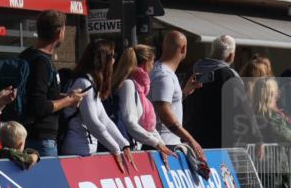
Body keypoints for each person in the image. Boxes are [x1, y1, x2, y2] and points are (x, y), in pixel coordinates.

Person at [59, 39, 134, 172]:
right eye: (112, 57)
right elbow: (92, 122)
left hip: (85, 150)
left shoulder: (91, 82)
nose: (114, 61)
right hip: (77, 150)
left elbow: (104, 119)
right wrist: (116, 149)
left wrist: (124, 145)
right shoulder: (84, 83)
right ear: (103, 60)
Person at [18, 10, 85, 157]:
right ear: (59, 33)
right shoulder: (41, 62)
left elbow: (40, 94)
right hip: (40, 139)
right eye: (64, 29)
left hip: (29, 135)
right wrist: (68, 101)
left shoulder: (27, 55)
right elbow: (39, 105)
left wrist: (65, 97)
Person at [184, 35, 261, 149]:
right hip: (220, 141)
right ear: (231, 56)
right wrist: (257, 137)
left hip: (191, 137)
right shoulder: (229, 76)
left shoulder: (192, 71)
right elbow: (244, 108)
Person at [109, 44, 175, 159]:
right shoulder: (128, 85)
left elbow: (148, 127)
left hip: (133, 149)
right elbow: (129, 121)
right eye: (153, 61)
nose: (153, 66)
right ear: (145, 63)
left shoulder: (139, 88)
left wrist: (162, 146)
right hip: (124, 151)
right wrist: (156, 143)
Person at [150, 30, 204, 160]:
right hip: (165, 144)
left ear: (163, 46)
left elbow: (164, 103)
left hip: (165, 142)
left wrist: (184, 92)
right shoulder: (164, 75)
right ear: (184, 48)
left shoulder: (161, 71)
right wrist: (191, 140)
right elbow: (164, 114)